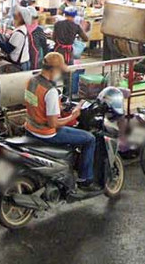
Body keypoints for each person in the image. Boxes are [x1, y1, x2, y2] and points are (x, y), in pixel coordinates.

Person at [23, 52, 97, 190]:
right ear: (54, 70)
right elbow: (54, 124)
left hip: (30, 128)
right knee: (90, 139)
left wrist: (57, 107)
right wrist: (73, 116)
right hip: (46, 133)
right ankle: (86, 178)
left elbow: (32, 103)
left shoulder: (31, 81)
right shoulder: (50, 91)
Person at [7, 5, 40, 71]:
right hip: (25, 61)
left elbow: (8, 49)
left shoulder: (19, 32)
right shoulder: (24, 28)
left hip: (21, 64)